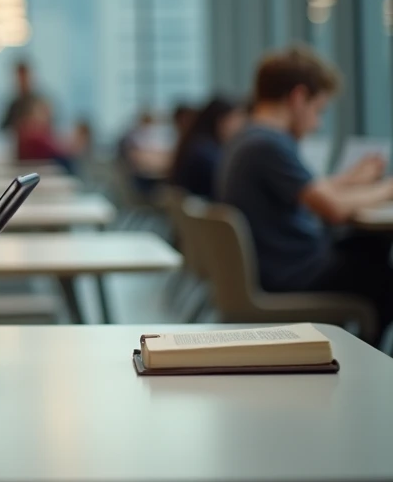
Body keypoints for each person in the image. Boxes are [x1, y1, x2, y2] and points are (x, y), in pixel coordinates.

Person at [218, 45, 393, 345]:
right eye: (318, 110)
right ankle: (372, 365)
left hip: (282, 266)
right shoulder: (268, 144)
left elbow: (312, 192)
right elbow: (333, 209)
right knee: (382, 276)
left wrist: (352, 180)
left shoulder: (249, 138)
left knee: (371, 248)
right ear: (298, 98)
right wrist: (388, 188)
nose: (318, 123)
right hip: (293, 276)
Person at [168, 95, 246, 200]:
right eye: (234, 121)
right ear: (221, 121)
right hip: (205, 209)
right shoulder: (206, 153)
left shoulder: (195, 143)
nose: (239, 127)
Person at [14, 96, 77, 175]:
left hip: (41, 167)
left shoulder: (38, 129)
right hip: (35, 169)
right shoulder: (31, 130)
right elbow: (52, 148)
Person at [0, 59, 35, 133]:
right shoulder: (14, 104)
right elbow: (2, 127)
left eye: (24, 77)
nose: (21, 81)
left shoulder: (40, 103)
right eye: (19, 77)